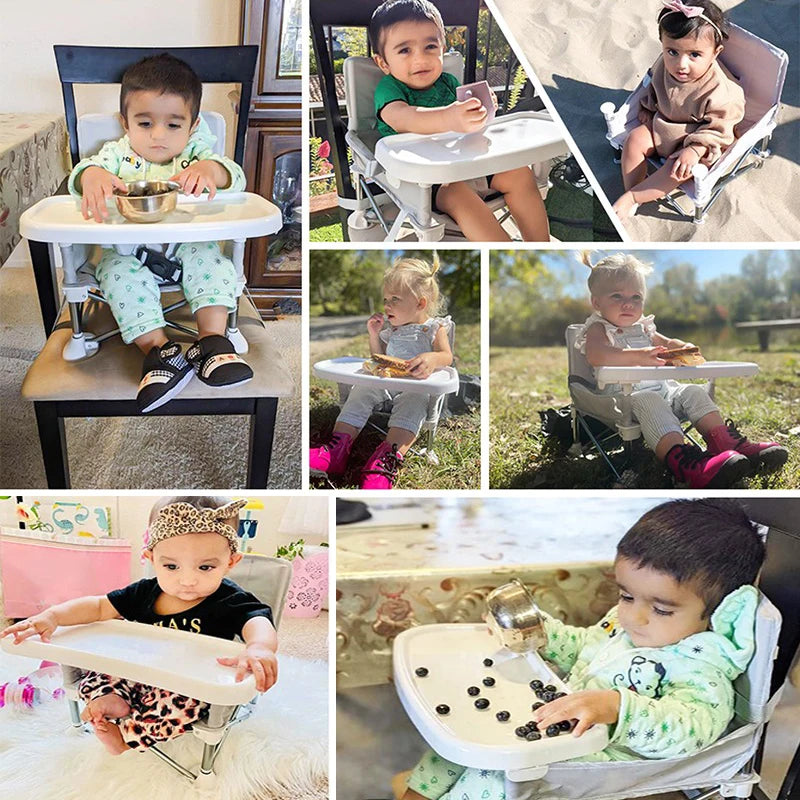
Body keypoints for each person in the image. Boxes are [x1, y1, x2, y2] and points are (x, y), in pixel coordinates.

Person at [397, 498, 766, 800]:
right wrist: (537, 631)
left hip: (600, 759)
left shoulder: (701, 670)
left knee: (492, 774)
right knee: (454, 746)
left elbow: (691, 732)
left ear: (717, 612)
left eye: (661, 608)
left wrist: (618, 708)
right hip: (559, 723)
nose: (633, 617)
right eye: (625, 595)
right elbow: (584, 647)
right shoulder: (633, 627)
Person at [1, 496, 278, 755]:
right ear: (151, 557)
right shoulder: (144, 592)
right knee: (97, 676)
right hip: (137, 669)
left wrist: (259, 647)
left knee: (180, 708)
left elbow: (257, 620)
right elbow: (98, 607)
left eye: (205, 567)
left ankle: (127, 737)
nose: (187, 580)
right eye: (171, 567)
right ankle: (112, 701)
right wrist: (53, 617)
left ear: (230, 562)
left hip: (185, 685)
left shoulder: (230, 599)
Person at [68, 53, 253, 413]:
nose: (157, 136)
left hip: (187, 249)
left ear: (193, 125)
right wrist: (91, 177)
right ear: (126, 123)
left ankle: (212, 342)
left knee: (213, 261)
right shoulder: (116, 155)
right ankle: (160, 350)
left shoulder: (196, 153)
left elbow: (235, 176)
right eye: (145, 122)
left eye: (173, 125)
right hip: (126, 252)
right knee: (116, 273)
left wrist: (209, 171)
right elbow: (83, 174)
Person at [575, 252, 787, 488]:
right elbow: (596, 355)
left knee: (693, 392)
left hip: (665, 391)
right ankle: (685, 463)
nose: (628, 304)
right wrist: (637, 356)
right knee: (649, 399)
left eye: (636, 297)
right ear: (597, 303)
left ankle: (726, 444)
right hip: (624, 399)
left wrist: (681, 347)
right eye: (617, 296)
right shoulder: (598, 328)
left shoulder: (643, 328)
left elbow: (666, 342)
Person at [369, 0, 549, 242]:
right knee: (458, 196)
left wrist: (481, 110)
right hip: (429, 181)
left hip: (470, 164)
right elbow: (403, 119)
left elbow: (469, 123)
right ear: (383, 62)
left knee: (520, 173)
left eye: (430, 46)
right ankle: (507, 259)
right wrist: (449, 118)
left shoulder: (449, 83)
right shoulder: (389, 89)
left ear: (442, 48)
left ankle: (539, 247)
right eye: (404, 50)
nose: (420, 59)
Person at [310, 253, 453, 489]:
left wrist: (432, 358)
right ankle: (335, 449)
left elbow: (446, 356)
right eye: (386, 299)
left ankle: (386, 457)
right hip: (385, 383)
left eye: (395, 299)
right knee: (361, 390)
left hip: (415, 385)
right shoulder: (392, 329)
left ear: (420, 303)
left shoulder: (434, 328)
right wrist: (374, 335)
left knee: (414, 404)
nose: (387, 305)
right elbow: (378, 357)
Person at [611, 0, 745, 220]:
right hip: (664, 124)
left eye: (694, 55)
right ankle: (632, 189)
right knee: (634, 139)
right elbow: (655, 85)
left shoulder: (721, 92)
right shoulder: (665, 65)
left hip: (696, 139)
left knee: (679, 169)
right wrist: (650, 107)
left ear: (715, 52)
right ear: (663, 44)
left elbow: (720, 130)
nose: (681, 64)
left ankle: (634, 198)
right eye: (672, 51)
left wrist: (695, 151)